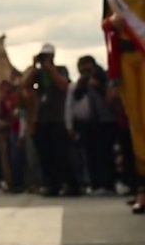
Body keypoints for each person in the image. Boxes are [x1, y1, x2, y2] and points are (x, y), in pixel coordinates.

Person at [102, 0, 145, 213]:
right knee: (136, 124)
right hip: (127, 60)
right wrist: (111, 24)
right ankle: (142, 187)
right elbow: (105, 23)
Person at [23, 44, 79, 196]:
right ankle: (51, 184)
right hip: (42, 119)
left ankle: (70, 184)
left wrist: (50, 68)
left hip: (59, 117)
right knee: (45, 155)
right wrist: (34, 67)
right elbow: (25, 85)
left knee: (61, 153)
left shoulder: (60, 69)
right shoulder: (38, 74)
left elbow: (63, 84)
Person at [65, 56, 117, 195]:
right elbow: (76, 98)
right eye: (81, 68)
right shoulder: (83, 82)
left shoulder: (102, 77)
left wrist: (98, 85)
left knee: (104, 153)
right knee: (91, 154)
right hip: (90, 122)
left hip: (106, 120)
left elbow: (109, 95)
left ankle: (107, 184)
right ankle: (96, 183)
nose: (84, 70)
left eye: (86, 67)